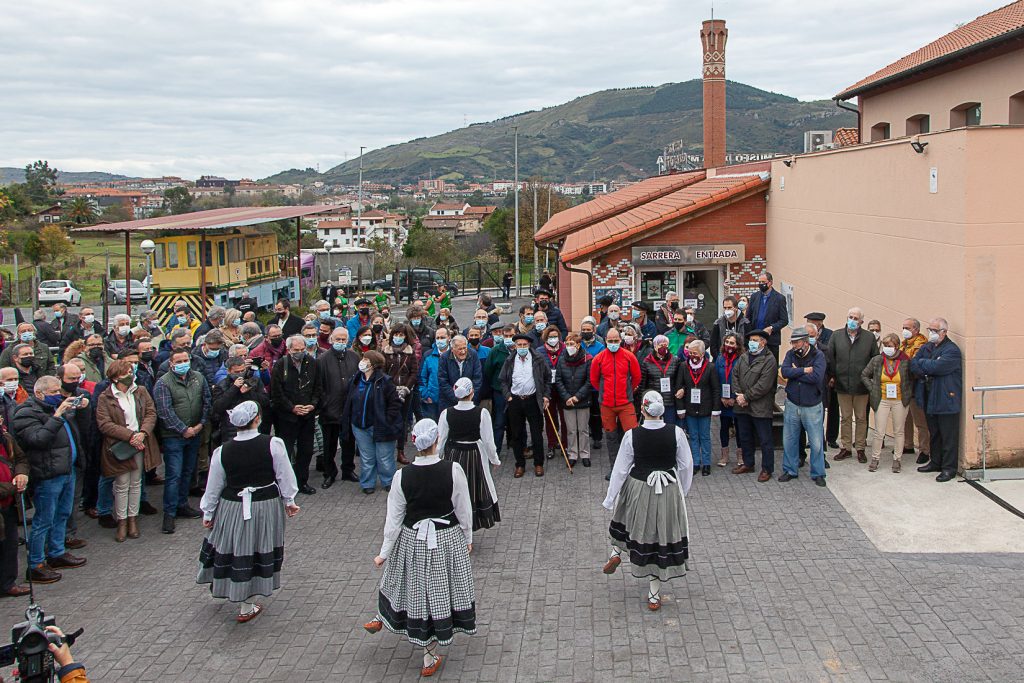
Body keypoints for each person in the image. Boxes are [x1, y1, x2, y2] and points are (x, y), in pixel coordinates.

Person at [363, 418, 475, 677]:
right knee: (437, 596)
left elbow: (393, 519)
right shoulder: (453, 470)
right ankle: (428, 656)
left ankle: (382, 616)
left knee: (407, 585)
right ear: (436, 441)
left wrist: (384, 553)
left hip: (412, 540)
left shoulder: (403, 476)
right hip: (446, 539)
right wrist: (467, 537)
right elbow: (463, 508)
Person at [198, 401, 300, 623]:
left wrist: (208, 513)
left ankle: (240, 596)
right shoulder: (273, 444)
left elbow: (213, 486)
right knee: (258, 547)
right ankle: (246, 603)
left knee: (237, 547)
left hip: (231, 506)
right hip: (265, 505)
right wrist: (289, 500)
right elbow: (284, 475)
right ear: (257, 419)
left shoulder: (222, 451)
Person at [602, 391, 693, 611]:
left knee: (627, 523)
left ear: (642, 410)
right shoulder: (677, 433)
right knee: (658, 537)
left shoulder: (632, 435)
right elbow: (686, 465)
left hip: (639, 487)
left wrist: (610, 497)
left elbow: (620, 469)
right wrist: (681, 490)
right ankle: (653, 596)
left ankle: (615, 553)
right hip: (668, 489)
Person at [12, 376, 89, 583]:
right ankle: (36, 564)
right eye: (54, 392)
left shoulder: (54, 408)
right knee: (43, 520)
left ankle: (56, 553)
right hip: (47, 474)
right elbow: (38, 440)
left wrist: (81, 406)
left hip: (67, 470)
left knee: (63, 514)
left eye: (59, 391)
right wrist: (58, 415)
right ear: (39, 394)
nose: (59, 395)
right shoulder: (25, 412)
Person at [95, 360, 160, 542]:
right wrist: (130, 436)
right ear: (115, 378)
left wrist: (143, 433)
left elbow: (150, 413)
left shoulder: (140, 391)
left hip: (140, 443)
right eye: (125, 373)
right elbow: (105, 423)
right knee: (122, 484)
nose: (130, 375)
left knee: (136, 483)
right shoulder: (105, 397)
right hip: (120, 446)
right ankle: (122, 520)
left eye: (131, 371)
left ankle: (133, 519)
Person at [153, 347, 210, 534]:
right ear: (171, 364)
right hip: (174, 437)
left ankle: (182, 504)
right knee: (173, 474)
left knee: (187, 472)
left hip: (195, 432)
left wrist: (200, 424)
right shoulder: (163, 383)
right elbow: (164, 411)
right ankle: (169, 513)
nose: (182, 364)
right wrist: (182, 429)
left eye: (185, 360)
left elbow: (206, 401)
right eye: (178, 362)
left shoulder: (198, 378)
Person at [437, 377, 500, 530]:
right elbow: (488, 441)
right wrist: (494, 459)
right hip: (474, 455)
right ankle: (472, 523)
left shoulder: (446, 413)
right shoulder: (482, 413)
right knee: (473, 489)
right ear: (472, 392)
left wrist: (437, 459)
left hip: (453, 455)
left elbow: (441, 440)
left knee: (454, 489)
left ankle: (455, 522)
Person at [911, 318, 962, 483]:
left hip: (946, 399)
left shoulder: (952, 350)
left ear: (944, 332)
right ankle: (935, 462)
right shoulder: (927, 347)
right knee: (935, 433)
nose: (931, 333)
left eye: (934, 330)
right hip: (930, 397)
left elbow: (938, 367)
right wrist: (928, 364)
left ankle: (949, 468)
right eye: (929, 330)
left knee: (948, 435)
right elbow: (914, 364)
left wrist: (926, 364)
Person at [343, 350, 402, 495]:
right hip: (360, 426)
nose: (362, 361)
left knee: (384, 457)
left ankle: (388, 481)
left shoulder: (385, 381)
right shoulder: (356, 379)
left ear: (373, 364)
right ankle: (367, 482)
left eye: (365, 359)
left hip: (380, 426)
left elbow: (394, 404)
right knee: (367, 456)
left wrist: (387, 420)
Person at [270, 335, 322, 496]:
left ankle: (302, 481)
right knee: (285, 451)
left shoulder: (312, 363)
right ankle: (284, 483)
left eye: (302, 350)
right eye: (296, 350)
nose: (299, 353)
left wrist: (312, 405)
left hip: (307, 415)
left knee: (306, 450)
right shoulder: (281, 365)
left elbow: (318, 387)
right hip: (287, 417)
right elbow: (276, 392)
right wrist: (292, 408)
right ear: (289, 349)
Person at [827, 307, 878, 464]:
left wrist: (870, 380)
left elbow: (875, 360)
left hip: (862, 386)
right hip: (842, 385)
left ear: (862, 321)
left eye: (856, 318)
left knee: (861, 418)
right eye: (850, 317)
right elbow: (830, 357)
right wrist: (833, 376)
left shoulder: (869, 338)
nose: (853, 320)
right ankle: (846, 447)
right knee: (846, 417)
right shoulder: (836, 336)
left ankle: (860, 448)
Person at [590, 328, 641, 480]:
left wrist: (627, 391)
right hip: (606, 405)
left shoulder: (629, 356)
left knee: (632, 437)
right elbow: (594, 380)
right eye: (610, 341)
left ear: (621, 340)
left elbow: (637, 377)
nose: (613, 343)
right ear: (605, 340)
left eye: (616, 341)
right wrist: (604, 393)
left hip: (625, 403)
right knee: (611, 438)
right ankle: (614, 469)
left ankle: (634, 467)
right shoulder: (598, 359)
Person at [779, 328, 828, 486]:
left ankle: (818, 473)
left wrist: (795, 372)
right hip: (793, 402)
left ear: (805, 343)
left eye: (796, 342)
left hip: (812, 405)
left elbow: (816, 377)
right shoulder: (790, 354)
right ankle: (790, 470)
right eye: (792, 342)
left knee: (816, 442)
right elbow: (785, 372)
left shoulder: (818, 356)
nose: (793, 345)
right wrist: (803, 370)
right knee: (789, 440)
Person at [861, 333, 914, 473]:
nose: (886, 348)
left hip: (899, 400)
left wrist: (908, 392)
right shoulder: (877, 360)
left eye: (889, 346)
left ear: (896, 346)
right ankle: (875, 458)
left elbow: (912, 378)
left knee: (899, 431)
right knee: (879, 431)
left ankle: (897, 459)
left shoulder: (905, 360)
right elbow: (864, 374)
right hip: (882, 399)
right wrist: (872, 388)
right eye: (885, 346)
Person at [500, 334, 550, 478]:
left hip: (533, 399)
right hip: (515, 400)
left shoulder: (538, 359)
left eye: (524, 345)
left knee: (536, 433)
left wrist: (546, 396)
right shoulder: (509, 360)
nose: (522, 347)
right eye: (519, 345)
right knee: (516, 434)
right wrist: (508, 395)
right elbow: (502, 380)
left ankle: (538, 463)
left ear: (529, 345)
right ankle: (520, 464)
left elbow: (547, 378)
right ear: (515, 346)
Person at [731, 329, 778, 482]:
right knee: (745, 437)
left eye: (755, 340)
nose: (751, 343)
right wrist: (738, 395)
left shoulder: (769, 360)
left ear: (763, 342)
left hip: (760, 406)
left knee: (765, 439)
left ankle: (767, 468)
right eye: (750, 340)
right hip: (742, 406)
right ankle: (748, 463)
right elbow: (735, 375)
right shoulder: (744, 357)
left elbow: (764, 385)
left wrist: (746, 396)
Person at [317, 327, 360, 488]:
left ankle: (348, 470)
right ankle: (329, 473)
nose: (341, 342)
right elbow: (319, 386)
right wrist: (324, 404)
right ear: (331, 340)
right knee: (330, 445)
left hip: (349, 409)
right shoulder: (322, 360)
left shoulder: (354, 357)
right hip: (330, 410)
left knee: (349, 442)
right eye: (338, 339)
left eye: (343, 340)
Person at [676, 339, 721, 476]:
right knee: (693, 436)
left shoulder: (710, 367)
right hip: (689, 407)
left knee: (705, 436)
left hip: (705, 407)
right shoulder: (683, 366)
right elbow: (679, 387)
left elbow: (715, 389)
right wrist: (681, 408)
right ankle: (695, 462)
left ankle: (706, 463)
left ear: (702, 354)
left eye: (695, 353)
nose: (692, 356)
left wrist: (715, 408)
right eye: (690, 353)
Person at [211, 355, 271, 445]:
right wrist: (234, 388)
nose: (240, 374)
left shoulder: (254, 381)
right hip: (230, 430)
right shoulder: (221, 385)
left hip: (252, 427)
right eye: (236, 372)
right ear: (229, 371)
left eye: (242, 371)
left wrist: (248, 392)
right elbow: (218, 407)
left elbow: (265, 401)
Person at [383, 324, 420, 466]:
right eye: (396, 334)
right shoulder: (386, 352)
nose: (398, 337)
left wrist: (406, 388)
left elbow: (414, 372)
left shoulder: (410, 353)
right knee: (390, 419)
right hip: (390, 392)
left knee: (403, 421)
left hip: (406, 392)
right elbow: (383, 372)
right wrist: (391, 389)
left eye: (401, 334)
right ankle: (387, 451)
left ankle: (400, 450)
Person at [0, 427, 30, 597]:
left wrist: (21, 474)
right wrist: (14, 487)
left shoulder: (5, 437)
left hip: (9, 505)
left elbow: (21, 459)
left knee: (10, 544)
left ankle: (7, 583)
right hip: (8, 495)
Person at [555, 332, 593, 467]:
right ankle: (572, 454)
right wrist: (566, 397)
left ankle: (584, 453)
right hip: (567, 400)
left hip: (582, 399)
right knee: (571, 430)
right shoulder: (561, 359)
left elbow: (590, 381)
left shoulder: (587, 359)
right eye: (567, 344)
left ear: (578, 345)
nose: (569, 347)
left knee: (583, 429)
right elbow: (558, 379)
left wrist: (577, 397)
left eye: (572, 344)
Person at [805, 312, 839, 449]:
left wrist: (832, 377)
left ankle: (826, 442)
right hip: (807, 386)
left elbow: (832, 362)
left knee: (824, 415)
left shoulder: (829, 336)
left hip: (823, 384)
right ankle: (811, 442)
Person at [900, 318, 931, 465]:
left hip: (915, 387)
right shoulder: (904, 343)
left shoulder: (921, 345)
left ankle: (925, 450)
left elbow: (912, 363)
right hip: (904, 386)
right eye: (903, 327)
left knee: (920, 420)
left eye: (908, 328)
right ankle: (908, 444)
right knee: (905, 419)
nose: (905, 330)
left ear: (916, 330)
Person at [745, 271, 788, 360]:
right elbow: (748, 317)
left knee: (770, 366)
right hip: (755, 339)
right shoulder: (754, 296)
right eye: (759, 282)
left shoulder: (779, 298)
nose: (761, 284)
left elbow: (784, 320)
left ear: (770, 282)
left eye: (763, 282)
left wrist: (771, 328)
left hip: (771, 341)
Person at [640, 335, 681, 426]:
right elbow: (643, 384)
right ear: (655, 346)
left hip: (669, 401)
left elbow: (679, 380)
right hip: (653, 401)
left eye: (665, 345)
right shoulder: (647, 362)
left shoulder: (675, 360)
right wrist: (642, 401)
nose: (663, 348)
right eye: (660, 345)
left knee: (670, 427)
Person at [715, 332, 742, 467]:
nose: (729, 345)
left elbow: (743, 381)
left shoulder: (742, 359)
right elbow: (716, 379)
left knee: (739, 427)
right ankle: (724, 456)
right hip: (723, 400)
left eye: (732, 343)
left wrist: (734, 398)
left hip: (736, 400)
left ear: (737, 345)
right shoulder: (720, 358)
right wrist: (721, 396)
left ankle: (740, 456)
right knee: (724, 427)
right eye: (727, 342)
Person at [438, 336, 482, 412]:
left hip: (470, 401)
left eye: (464, 348)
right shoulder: (444, 358)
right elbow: (443, 381)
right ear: (452, 349)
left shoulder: (473, 355)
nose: (463, 351)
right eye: (460, 349)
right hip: (449, 403)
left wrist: (468, 397)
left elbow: (477, 378)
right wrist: (458, 398)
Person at [418, 327, 448, 422]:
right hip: (432, 400)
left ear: (449, 338)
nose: (440, 340)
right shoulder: (428, 355)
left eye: (442, 337)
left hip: (450, 400)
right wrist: (426, 395)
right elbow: (421, 377)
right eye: (437, 338)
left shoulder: (453, 354)